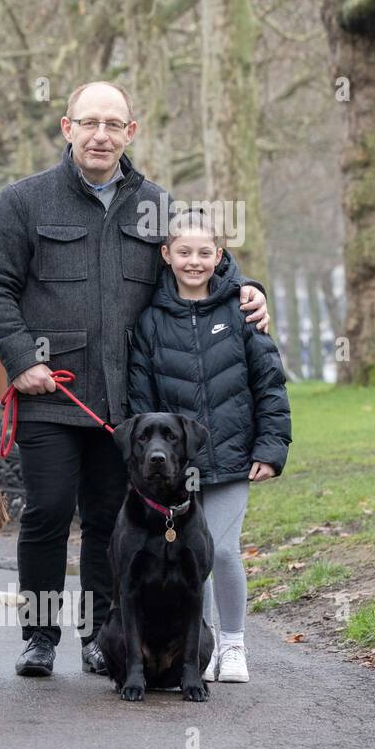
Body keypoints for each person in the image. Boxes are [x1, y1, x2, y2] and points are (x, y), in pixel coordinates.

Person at [0, 81, 272, 678]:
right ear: (67, 127)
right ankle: (37, 636)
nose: (101, 134)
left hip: (128, 407)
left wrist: (246, 288)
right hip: (51, 392)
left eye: (114, 124)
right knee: (50, 512)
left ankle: (103, 636)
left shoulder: (156, 204)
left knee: (112, 519)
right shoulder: (24, 201)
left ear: (130, 132)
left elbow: (203, 257)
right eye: (90, 123)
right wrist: (19, 358)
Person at [127, 209, 291, 683]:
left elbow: (269, 384)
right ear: (166, 255)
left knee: (220, 551)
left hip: (233, 456)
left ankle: (234, 644)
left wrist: (271, 446)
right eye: (183, 252)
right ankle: (192, 646)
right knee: (181, 557)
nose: (194, 261)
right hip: (172, 472)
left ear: (219, 255)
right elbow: (142, 401)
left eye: (204, 252)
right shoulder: (151, 321)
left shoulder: (241, 310)